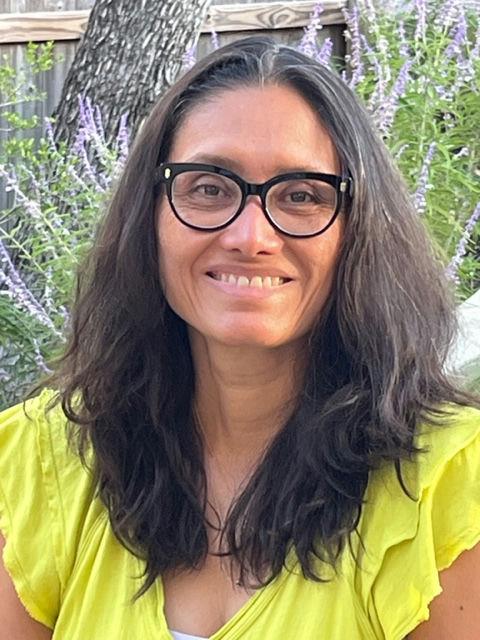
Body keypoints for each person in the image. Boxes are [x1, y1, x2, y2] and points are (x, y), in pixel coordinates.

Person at [0, 35, 479, 640]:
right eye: (208, 187)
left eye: (301, 195)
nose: (250, 235)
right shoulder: (41, 462)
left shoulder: (451, 485)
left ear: (360, 231)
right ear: (149, 216)